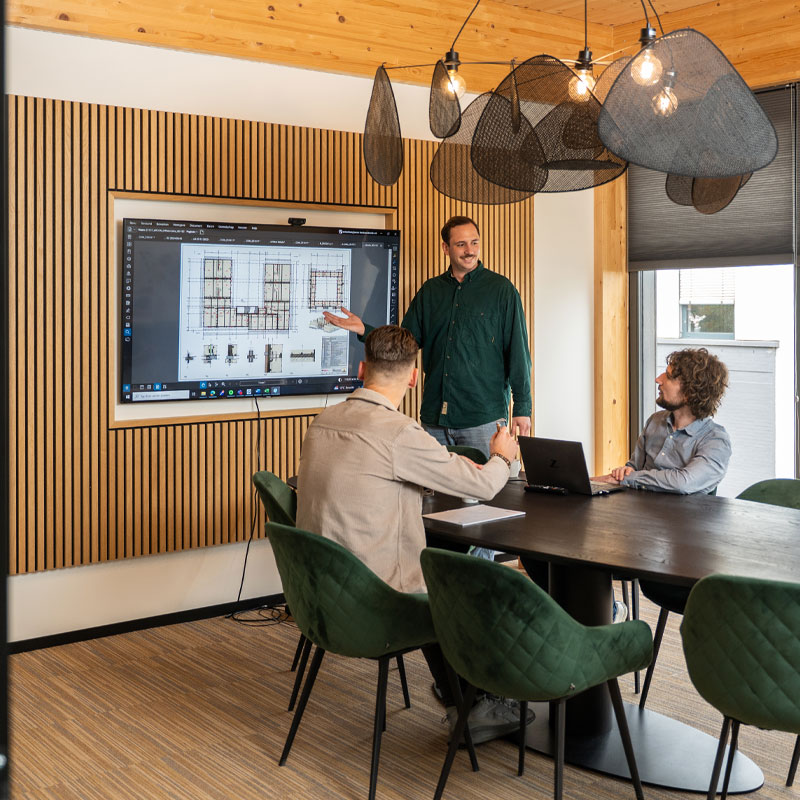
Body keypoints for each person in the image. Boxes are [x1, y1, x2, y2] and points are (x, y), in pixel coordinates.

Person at [296, 324, 531, 743]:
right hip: (377, 607)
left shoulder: (323, 421)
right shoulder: (401, 433)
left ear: (361, 368)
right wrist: (502, 455)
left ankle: (458, 690)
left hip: (323, 599)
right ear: (414, 377)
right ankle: (481, 701)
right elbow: (482, 487)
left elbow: (368, 477)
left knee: (435, 574)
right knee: (457, 584)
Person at [323, 215, 532, 459]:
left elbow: (519, 353)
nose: (469, 251)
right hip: (435, 421)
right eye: (461, 244)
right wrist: (364, 330)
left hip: (483, 420)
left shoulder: (502, 291)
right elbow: (404, 343)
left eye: (474, 243)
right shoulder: (430, 291)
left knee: (487, 493)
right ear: (446, 248)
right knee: (435, 496)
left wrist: (522, 408)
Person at [595, 347, 731, 494]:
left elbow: (683, 483)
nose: (658, 379)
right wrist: (625, 472)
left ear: (690, 393)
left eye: (669, 376)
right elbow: (633, 468)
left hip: (682, 516)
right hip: (638, 510)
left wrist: (629, 478)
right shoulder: (655, 421)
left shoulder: (716, 440)